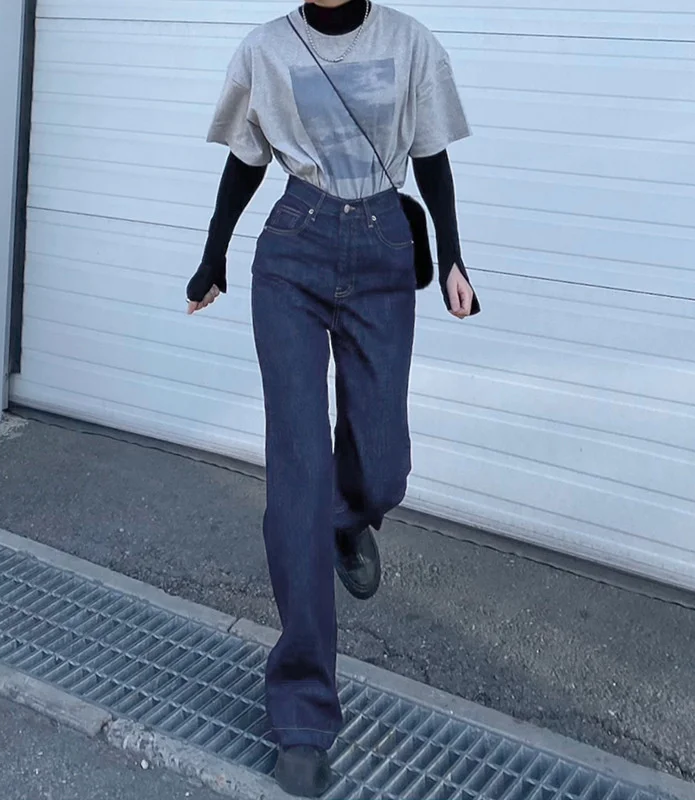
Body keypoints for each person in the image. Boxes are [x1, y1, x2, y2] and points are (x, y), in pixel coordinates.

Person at [186, 1, 479, 795]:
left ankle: (349, 519)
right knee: (298, 477)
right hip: (294, 251)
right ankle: (302, 713)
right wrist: (213, 255)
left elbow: (431, 158)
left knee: (383, 470)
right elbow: (246, 162)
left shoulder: (411, 44)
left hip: (385, 250)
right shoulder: (264, 49)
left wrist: (453, 258)